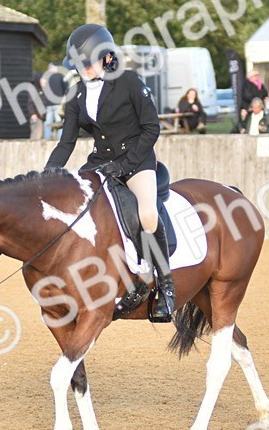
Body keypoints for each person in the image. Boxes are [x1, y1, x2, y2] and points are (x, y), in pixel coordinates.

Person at [45, 23, 174, 322]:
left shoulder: (128, 82)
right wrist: (47, 174)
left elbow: (151, 128)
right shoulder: (76, 94)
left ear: (106, 58)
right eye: (78, 65)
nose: (83, 70)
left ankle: (166, 286)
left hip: (137, 162)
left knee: (147, 214)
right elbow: (66, 142)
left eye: (87, 63)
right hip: (100, 163)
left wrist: (126, 165)